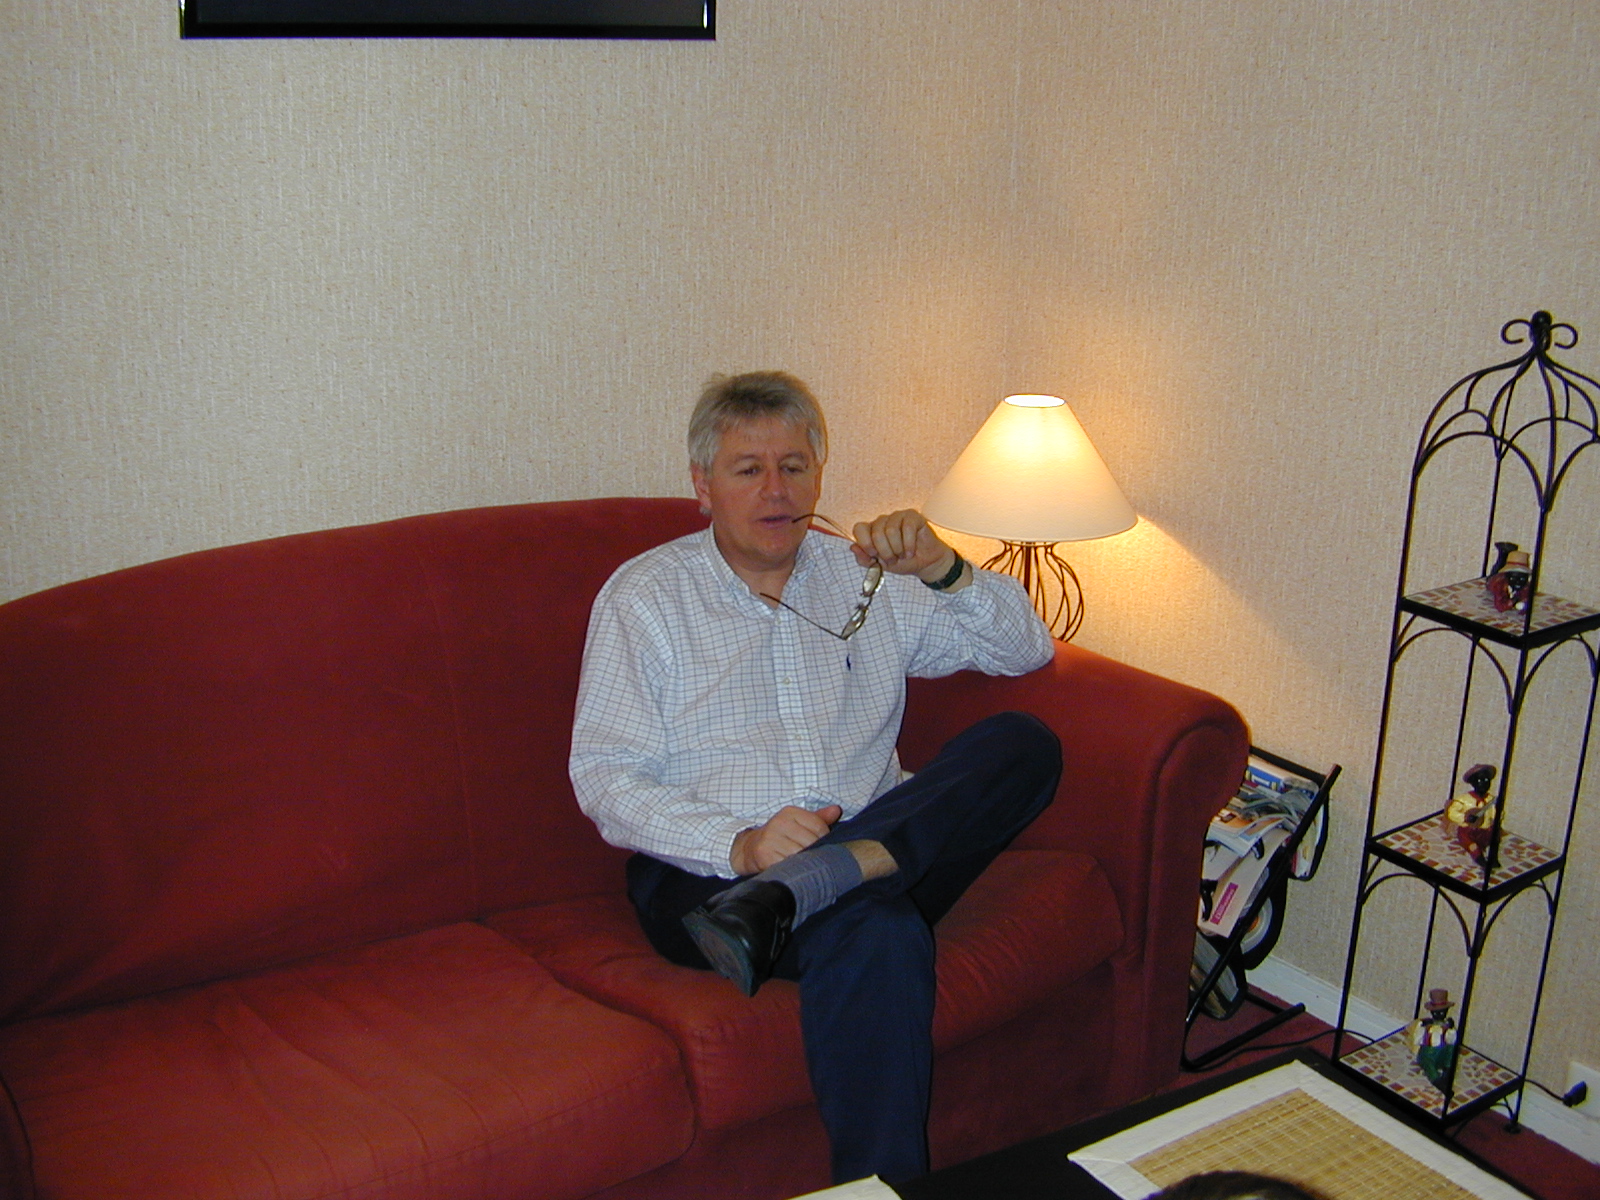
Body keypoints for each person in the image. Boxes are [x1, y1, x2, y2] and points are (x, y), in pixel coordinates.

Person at [569, 370, 1059, 1184]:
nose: (776, 489)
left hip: (867, 843)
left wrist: (943, 567)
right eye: (748, 469)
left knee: (1024, 744)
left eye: (794, 466)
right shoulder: (647, 598)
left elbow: (1024, 650)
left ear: (819, 477)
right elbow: (606, 776)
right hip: (712, 887)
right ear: (702, 486)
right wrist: (743, 845)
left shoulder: (866, 577)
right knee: (880, 929)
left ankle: (826, 875)